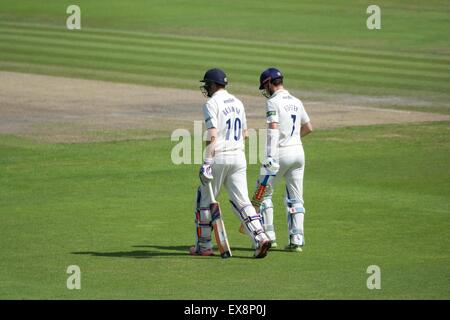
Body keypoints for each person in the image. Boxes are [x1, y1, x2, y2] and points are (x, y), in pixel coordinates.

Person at [189, 68, 271, 258]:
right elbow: (246, 134)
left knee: (204, 201)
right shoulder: (238, 102)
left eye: (207, 84)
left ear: (213, 84)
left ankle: (204, 246)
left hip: (219, 157)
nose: (205, 88)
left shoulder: (211, 103)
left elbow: (212, 135)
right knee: (242, 201)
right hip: (239, 157)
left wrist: (207, 162)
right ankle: (260, 237)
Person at [255, 67, 313, 252]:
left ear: (270, 83)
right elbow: (309, 127)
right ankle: (297, 240)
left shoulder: (273, 102)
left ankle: (269, 237)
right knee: (296, 198)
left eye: (265, 86)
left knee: (263, 195)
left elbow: (273, 129)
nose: (265, 91)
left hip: (280, 153)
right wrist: (292, 140)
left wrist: (271, 156)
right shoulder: (296, 101)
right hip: (298, 153)